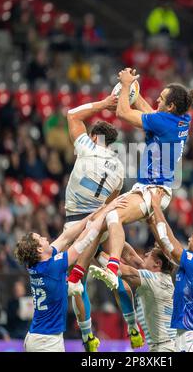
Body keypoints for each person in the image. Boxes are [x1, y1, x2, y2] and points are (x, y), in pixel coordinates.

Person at [89, 68, 193, 291]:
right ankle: (105, 262)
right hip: (155, 188)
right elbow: (151, 113)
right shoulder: (181, 120)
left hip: (152, 191)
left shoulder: (163, 122)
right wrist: (135, 93)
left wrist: (126, 86)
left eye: (162, 98)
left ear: (170, 107)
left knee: (112, 217)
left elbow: (122, 113)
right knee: (100, 221)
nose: (157, 98)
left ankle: (110, 268)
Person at [65, 94, 144, 351]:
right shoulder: (119, 168)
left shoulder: (86, 147)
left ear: (94, 137)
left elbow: (72, 114)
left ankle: (88, 336)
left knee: (78, 282)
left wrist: (102, 104)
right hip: (101, 221)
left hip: (76, 223)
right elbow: (110, 204)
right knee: (115, 273)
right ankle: (133, 328)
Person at [14, 198, 126, 352]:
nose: (45, 238)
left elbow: (66, 236)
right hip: (46, 342)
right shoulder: (53, 266)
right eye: (40, 239)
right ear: (39, 250)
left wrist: (93, 215)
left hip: (39, 337)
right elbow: (85, 239)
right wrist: (107, 210)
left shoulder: (39, 265)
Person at [148, 188, 193, 352]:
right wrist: (152, 221)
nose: (189, 238)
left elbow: (170, 243)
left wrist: (156, 206)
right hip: (185, 335)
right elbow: (166, 246)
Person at [115, 246, 177, 352]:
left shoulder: (154, 279)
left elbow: (121, 269)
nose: (146, 254)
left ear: (157, 263)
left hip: (165, 348)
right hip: (163, 346)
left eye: (150, 253)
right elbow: (129, 254)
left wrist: (95, 251)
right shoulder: (160, 279)